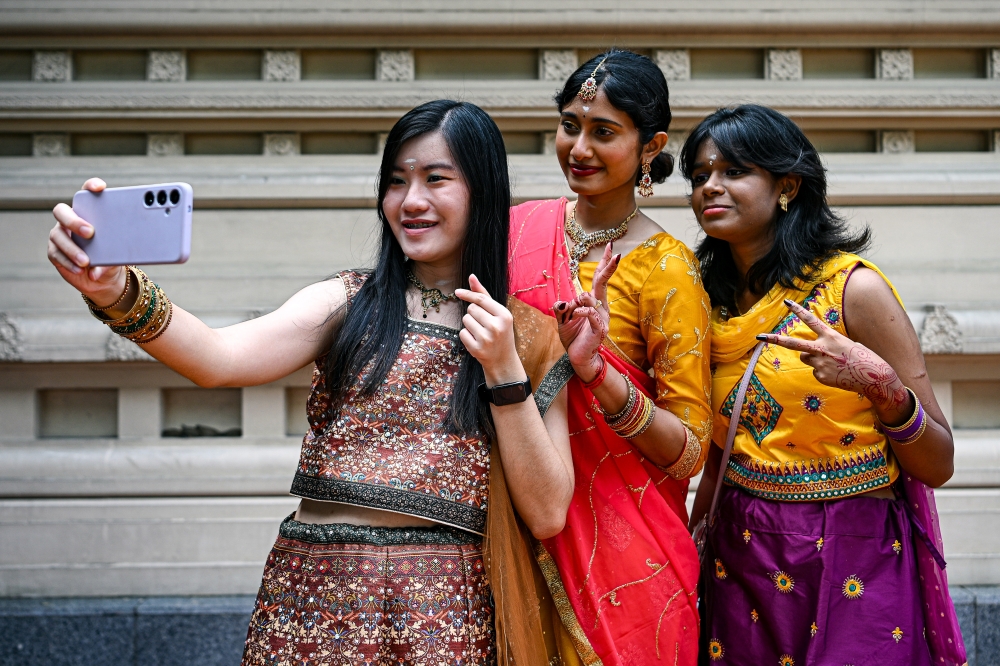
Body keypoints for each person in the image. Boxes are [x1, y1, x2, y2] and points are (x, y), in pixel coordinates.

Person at [46, 99, 574, 666]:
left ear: (483, 192)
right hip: (310, 599)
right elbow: (218, 359)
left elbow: (547, 513)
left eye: (435, 179)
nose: (411, 201)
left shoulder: (529, 336)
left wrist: (503, 372)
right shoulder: (350, 302)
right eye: (396, 182)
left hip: (442, 617)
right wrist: (113, 292)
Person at [684, 104, 967, 666]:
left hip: (854, 547)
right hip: (742, 552)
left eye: (734, 171)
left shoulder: (852, 292)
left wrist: (881, 386)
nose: (710, 187)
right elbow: (721, 446)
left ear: (787, 185)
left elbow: (939, 463)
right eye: (699, 175)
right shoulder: (701, 300)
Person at [508, 50, 712, 665]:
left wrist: (596, 375)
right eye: (571, 125)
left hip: (632, 561)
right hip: (515, 527)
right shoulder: (517, 230)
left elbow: (691, 450)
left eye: (604, 132)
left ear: (651, 147)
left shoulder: (667, 269)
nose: (580, 148)